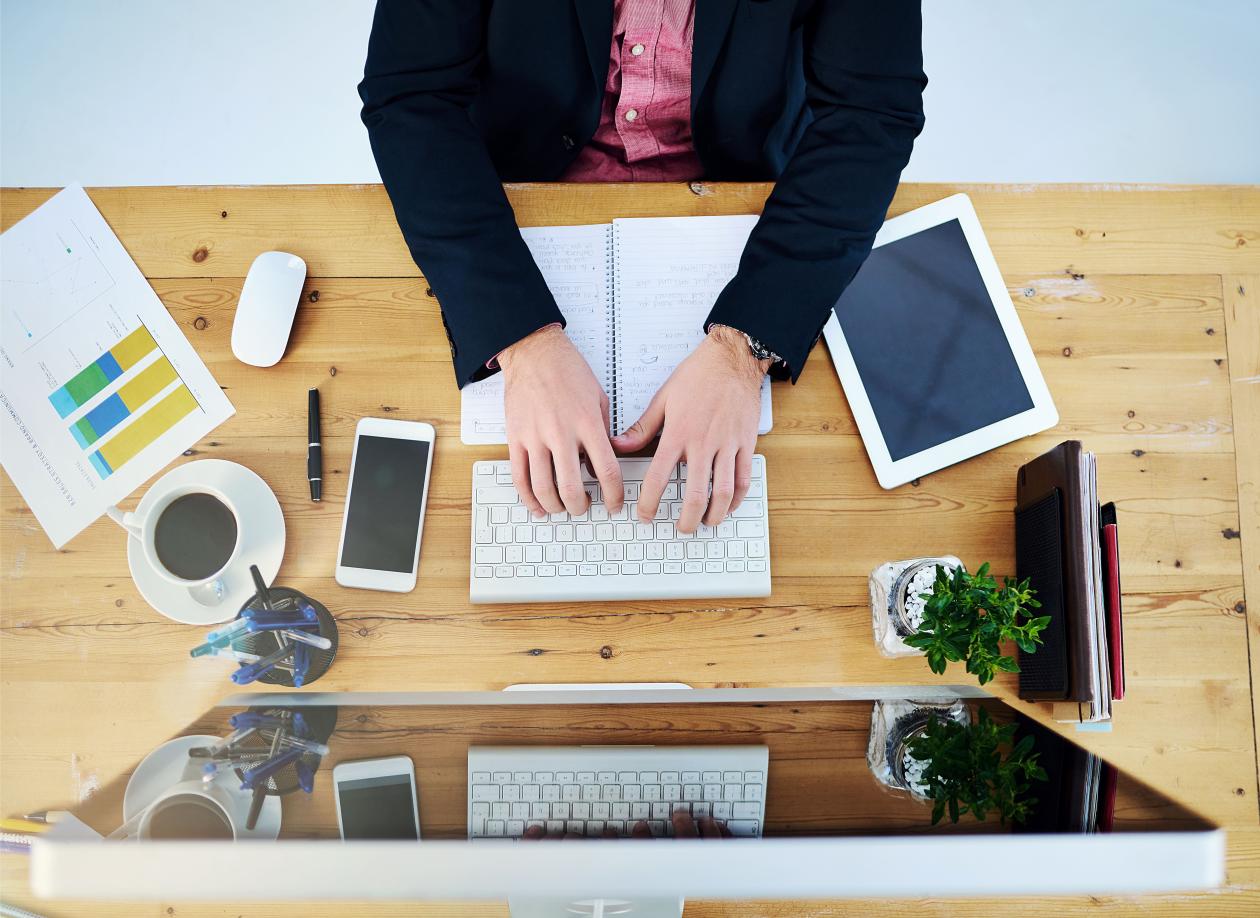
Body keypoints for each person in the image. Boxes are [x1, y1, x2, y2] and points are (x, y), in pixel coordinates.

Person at [359, 1, 925, 533]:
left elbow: (869, 114)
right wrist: (518, 336)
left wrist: (743, 351)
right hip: (509, 196)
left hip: (744, 195)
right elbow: (411, 95)